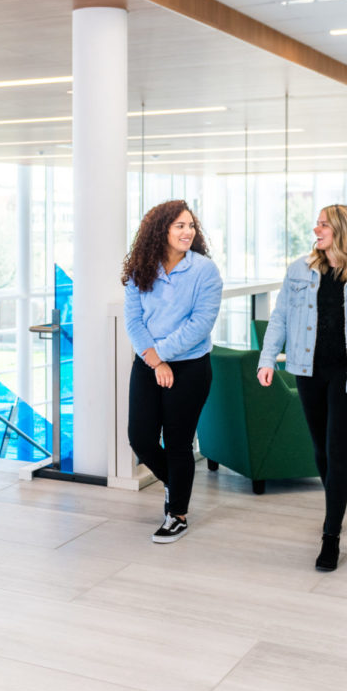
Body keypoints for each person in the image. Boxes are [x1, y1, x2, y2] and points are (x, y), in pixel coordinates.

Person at [257, 204, 347, 572]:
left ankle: (331, 535)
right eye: (317, 223)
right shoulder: (300, 271)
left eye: (322, 224)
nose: (315, 229)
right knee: (320, 449)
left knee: (337, 451)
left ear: (342, 230)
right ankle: (335, 500)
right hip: (308, 370)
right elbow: (281, 317)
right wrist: (267, 358)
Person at [122, 200, 223, 543]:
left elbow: (201, 324)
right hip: (149, 364)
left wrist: (162, 355)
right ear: (160, 230)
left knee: (178, 442)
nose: (187, 232)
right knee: (140, 437)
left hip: (191, 366)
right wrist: (155, 361)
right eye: (180, 225)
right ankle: (176, 483)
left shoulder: (204, 270)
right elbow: (133, 321)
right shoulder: (141, 269)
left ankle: (176, 513)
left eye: (191, 226)